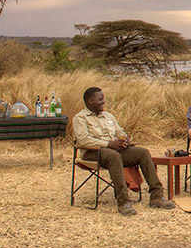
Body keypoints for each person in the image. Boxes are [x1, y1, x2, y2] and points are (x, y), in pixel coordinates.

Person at [73, 87, 175, 215]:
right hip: (93, 152)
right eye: (101, 99)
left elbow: (119, 131)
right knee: (114, 156)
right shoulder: (80, 118)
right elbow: (83, 140)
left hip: (114, 150)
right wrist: (108, 144)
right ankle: (123, 202)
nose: (104, 102)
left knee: (142, 152)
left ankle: (157, 197)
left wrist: (124, 139)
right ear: (91, 101)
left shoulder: (108, 116)